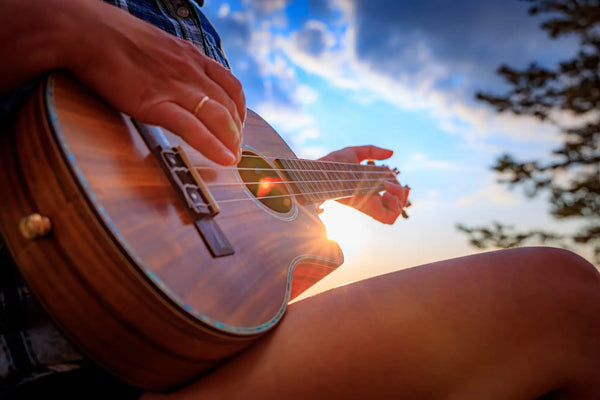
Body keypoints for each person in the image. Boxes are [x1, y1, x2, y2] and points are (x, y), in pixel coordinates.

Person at [0, 0, 598, 399]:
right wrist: (65, 24)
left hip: (168, 357)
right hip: (54, 367)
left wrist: (325, 181)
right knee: (561, 299)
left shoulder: (195, 24)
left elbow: (202, 200)